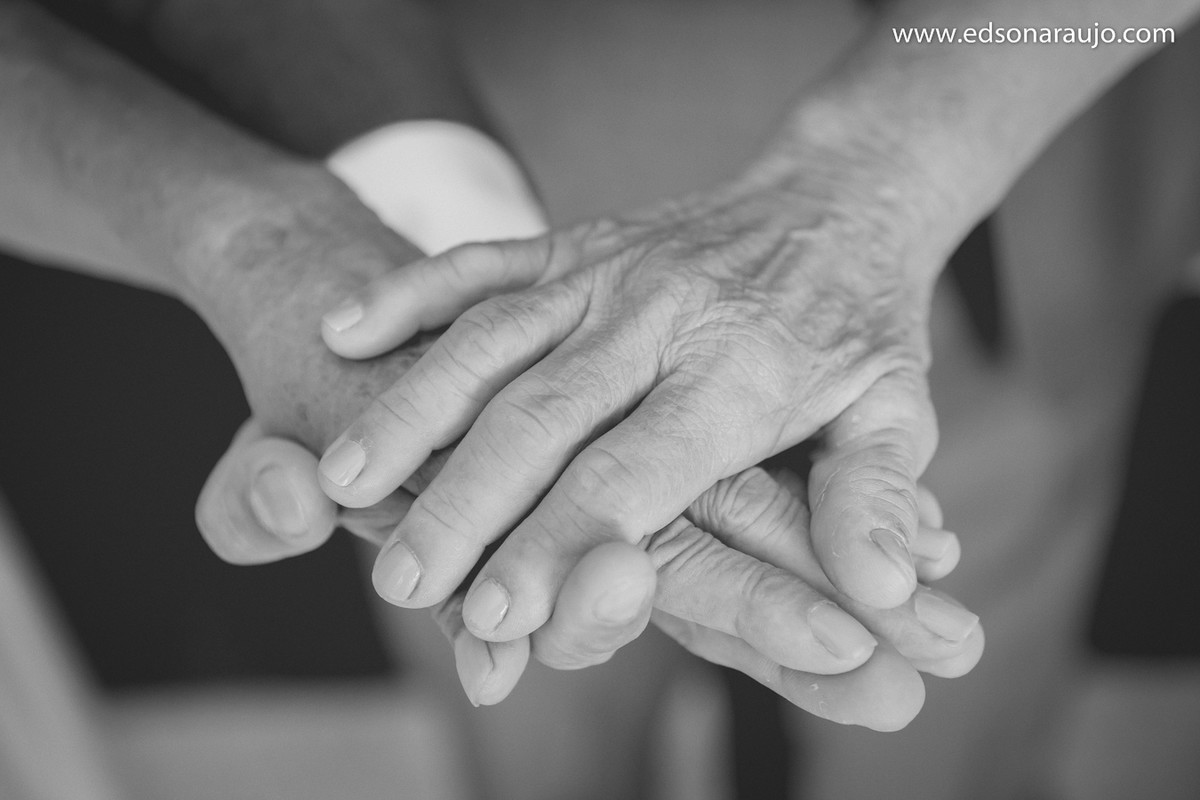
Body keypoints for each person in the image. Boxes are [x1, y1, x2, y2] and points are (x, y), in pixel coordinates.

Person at [0, 0, 977, 740]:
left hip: (1042, 144)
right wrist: (280, 244)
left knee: (963, 641)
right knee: (553, 661)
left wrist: (868, 189)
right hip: (502, 94)